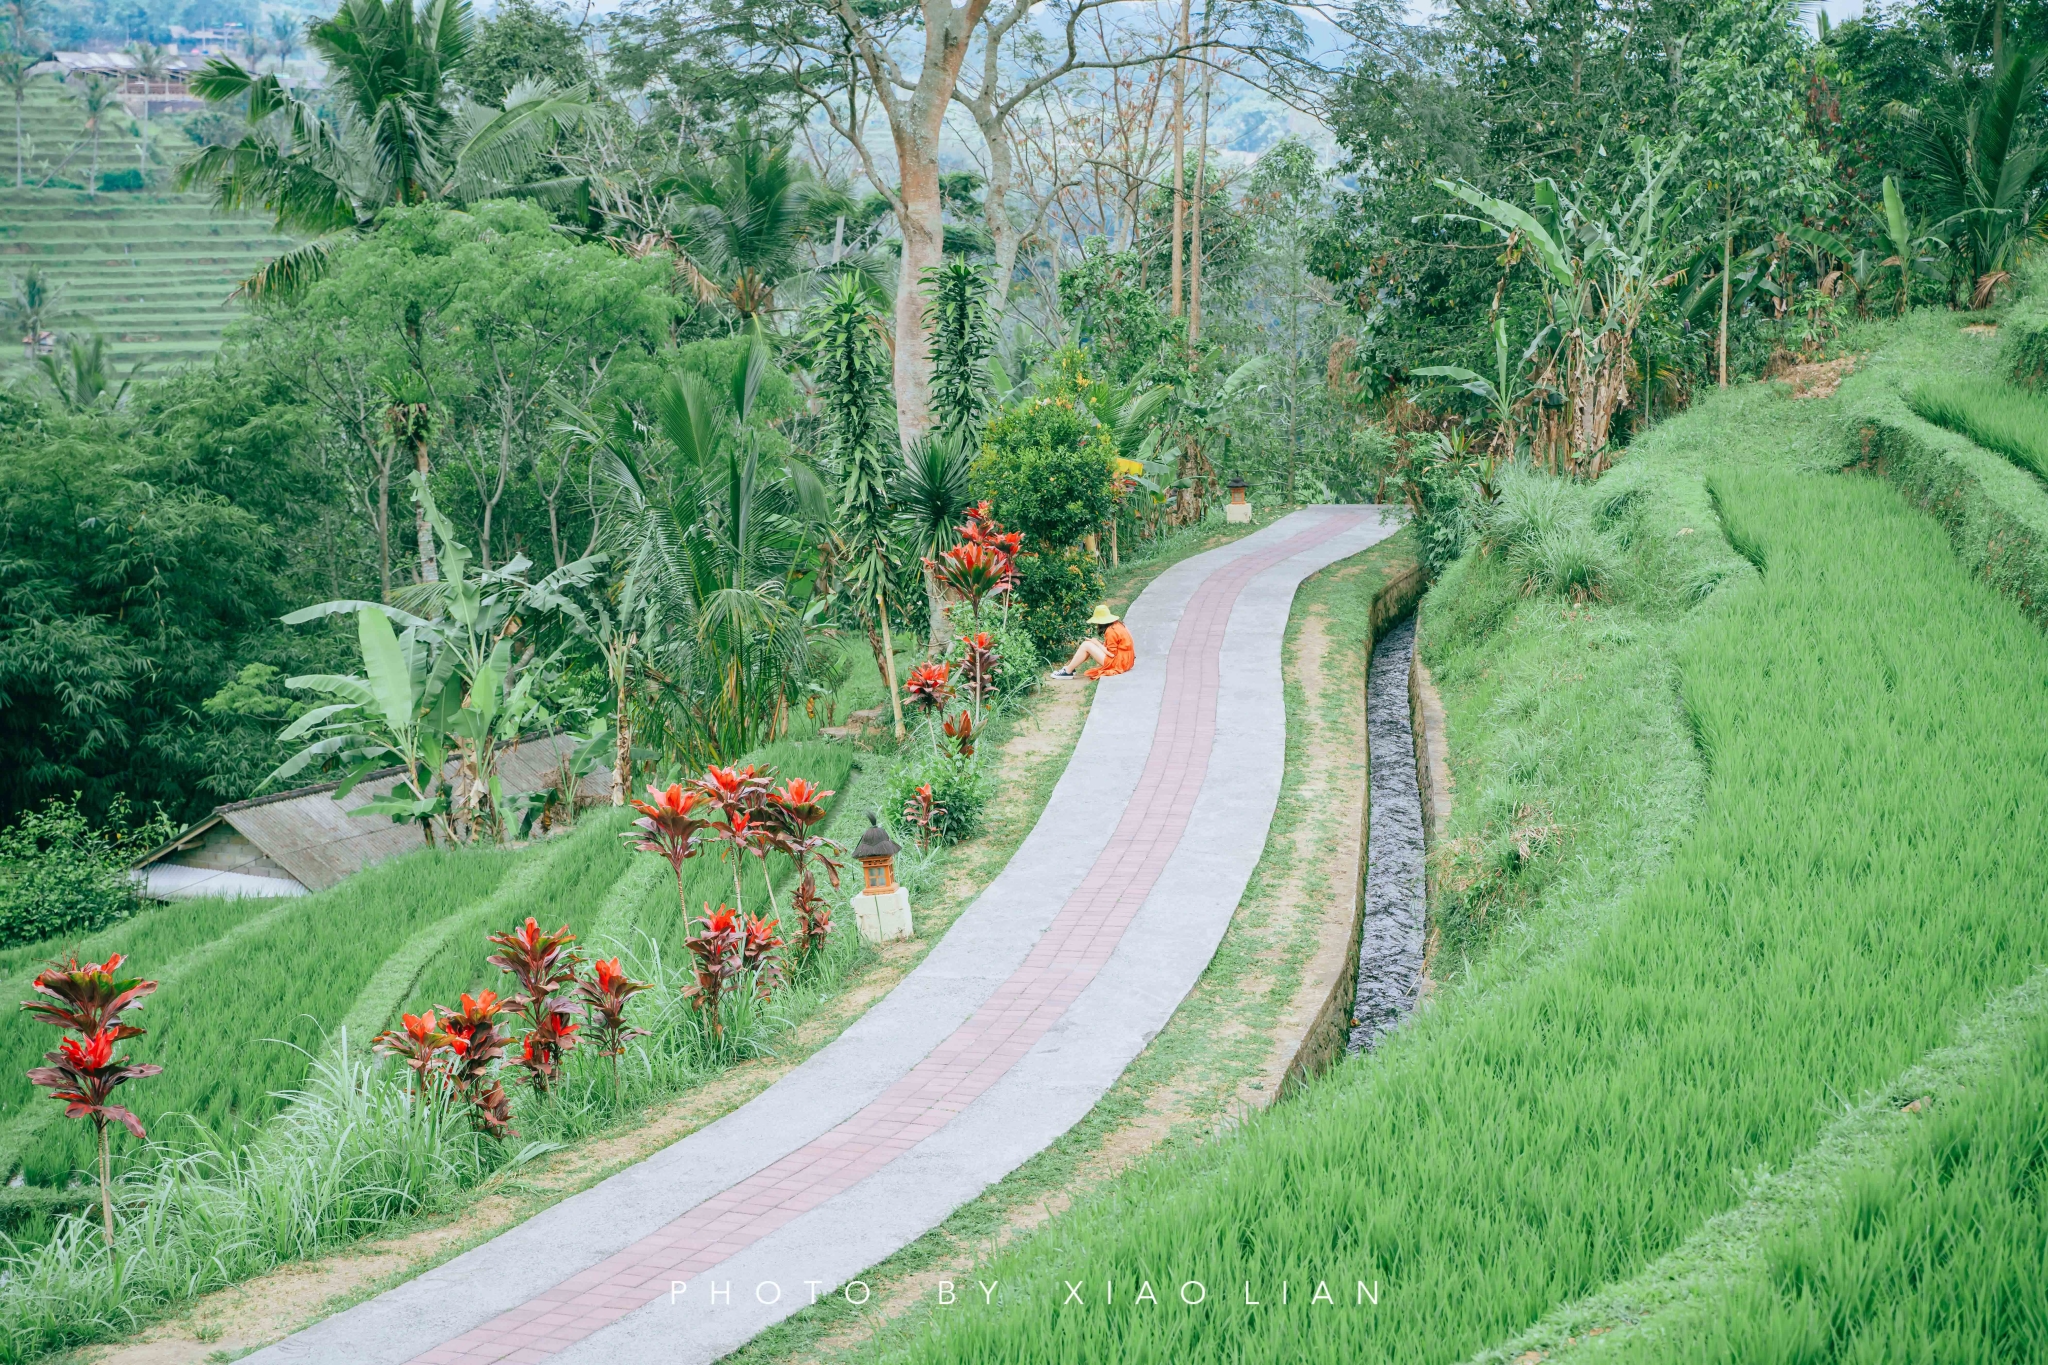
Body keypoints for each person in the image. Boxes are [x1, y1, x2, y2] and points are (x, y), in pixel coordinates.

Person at [1052, 605, 1135, 680]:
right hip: (1127, 659)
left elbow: (1111, 654)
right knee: (1089, 644)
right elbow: (1125, 642)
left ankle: (1068, 671)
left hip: (1118, 663)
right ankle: (1070, 668)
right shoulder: (1119, 624)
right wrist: (1099, 642)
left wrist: (1097, 643)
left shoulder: (1110, 631)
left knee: (1086, 645)